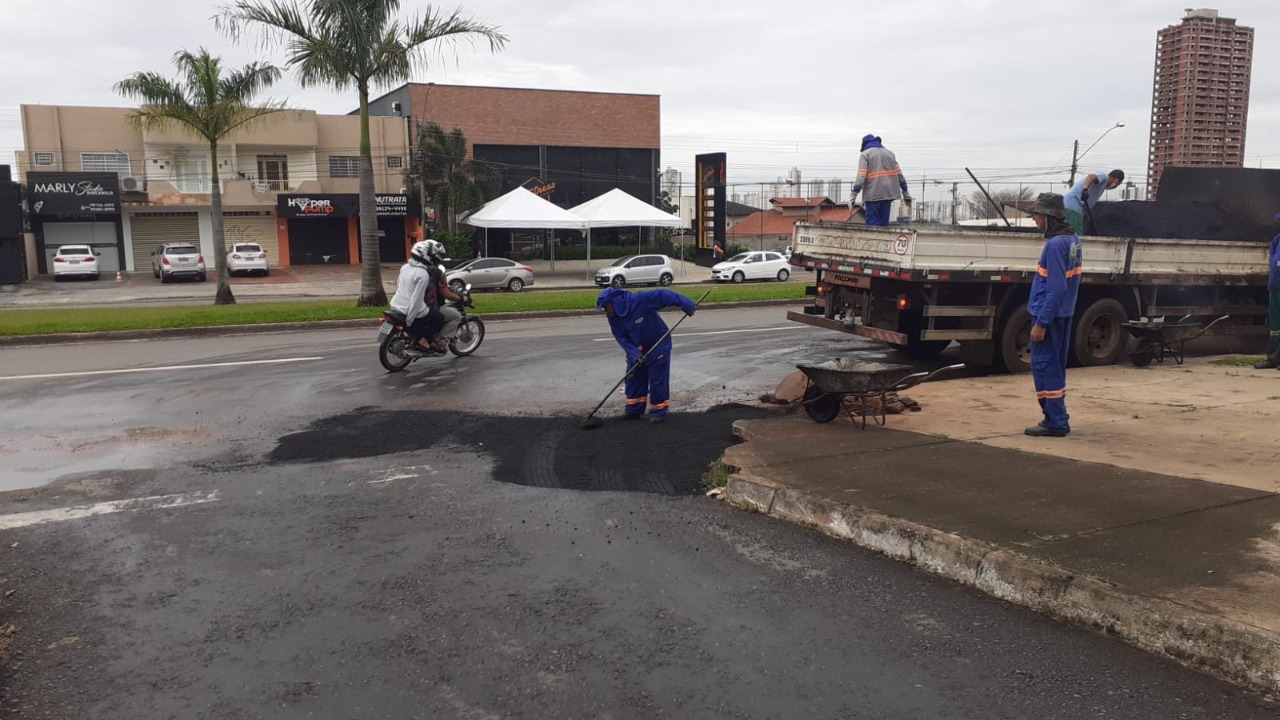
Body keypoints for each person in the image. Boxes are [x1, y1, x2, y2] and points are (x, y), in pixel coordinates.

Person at [1023, 193, 1083, 437]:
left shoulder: (1055, 244)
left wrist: (1041, 322)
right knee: (1055, 368)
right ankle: (1058, 418)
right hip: (1062, 314)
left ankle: (1055, 421)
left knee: (1045, 368)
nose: (1035, 220)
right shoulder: (1073, 239)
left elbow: (1056, 287)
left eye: (1037, 215)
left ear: (1048, 217)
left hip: (1051, 316)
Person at [597, 286, 697, 424]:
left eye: (606, 307)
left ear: (615, 303)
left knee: (657, 377)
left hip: (658, 343)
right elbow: (622, 338)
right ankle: (634, 409)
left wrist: (686, 303)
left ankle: (658, 411)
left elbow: (663, 295)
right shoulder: (613, 318)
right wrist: (634, 354)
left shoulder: (641, 300)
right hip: (637, 348)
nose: (606, 312)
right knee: (633, 376)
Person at [388, 240, 441, 353]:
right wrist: (410, 319)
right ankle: (423, 340)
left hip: (396, 305)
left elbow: (399, 287)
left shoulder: (405, 267)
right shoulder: (423, 274)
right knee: (439, 318)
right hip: (409, 309)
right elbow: (417, 298)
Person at [851, 133, 911, 227]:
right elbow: (900, 175)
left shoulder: (865, 155)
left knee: (872, 226)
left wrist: (853, 195)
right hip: (888, 194)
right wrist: (906, 193)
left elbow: (861, 177)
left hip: (873, 195)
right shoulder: (890, 154)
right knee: (884, 227)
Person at [1064, 169, 1124, 235]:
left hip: (1076, 208)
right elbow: (1090, 176)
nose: (1116, 186)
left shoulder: (1102, 185)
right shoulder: (1104, 177)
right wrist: (1085, 189)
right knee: (1075, 233)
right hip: (1073, 205)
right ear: (1116, 180)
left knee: (1076, 230)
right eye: (1118, 184)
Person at [1255, 213, 1280, 370]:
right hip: (1275, 287)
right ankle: (1272, 359)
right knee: (1275, 326)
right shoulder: (1277, 240)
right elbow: (1272, 259)